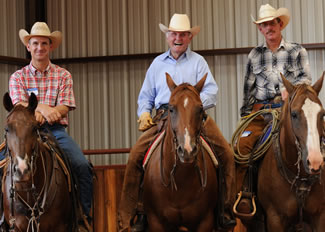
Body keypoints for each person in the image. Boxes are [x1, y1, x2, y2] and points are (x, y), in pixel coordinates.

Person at [118, 13, 236, 232]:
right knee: (135, 156)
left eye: (183, 34)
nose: (178, 38)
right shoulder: (157, 64)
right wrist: (144, 112)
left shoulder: (198, 62)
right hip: (165, 115)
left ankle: (224, 210)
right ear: (167, 37)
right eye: (174, 34)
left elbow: (212, 91)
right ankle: (133, 215)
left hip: (194, 116)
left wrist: (194, 102)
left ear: (189, 38)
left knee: (226, 154)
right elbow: (146, 96)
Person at [8, 22, 93, 231]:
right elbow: (19, 105)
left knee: (81, 166)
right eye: (35, 43)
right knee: (1, 167)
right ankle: (4, 217)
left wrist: (45, 110)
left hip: (55, 132)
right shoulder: (18, 77)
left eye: (44, 43)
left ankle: (83, 216)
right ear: (28, 46)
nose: (39, 47)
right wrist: (46, 109)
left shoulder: (63, 75)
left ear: (50, 46)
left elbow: (65, 106)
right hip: (24, 132)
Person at [234, 3, 311, 214]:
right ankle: (245, 195)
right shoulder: (254, 55)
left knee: (317, 140)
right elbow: (247, 89)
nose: (269, 28)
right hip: (261, 113)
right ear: (260, 29)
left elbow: (306, 80)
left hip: (291, 111)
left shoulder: (297, 51)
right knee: (242, 147)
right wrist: (245, 118)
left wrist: (292, 90)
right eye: (264, 25)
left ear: (280, 24)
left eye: (272, 23)